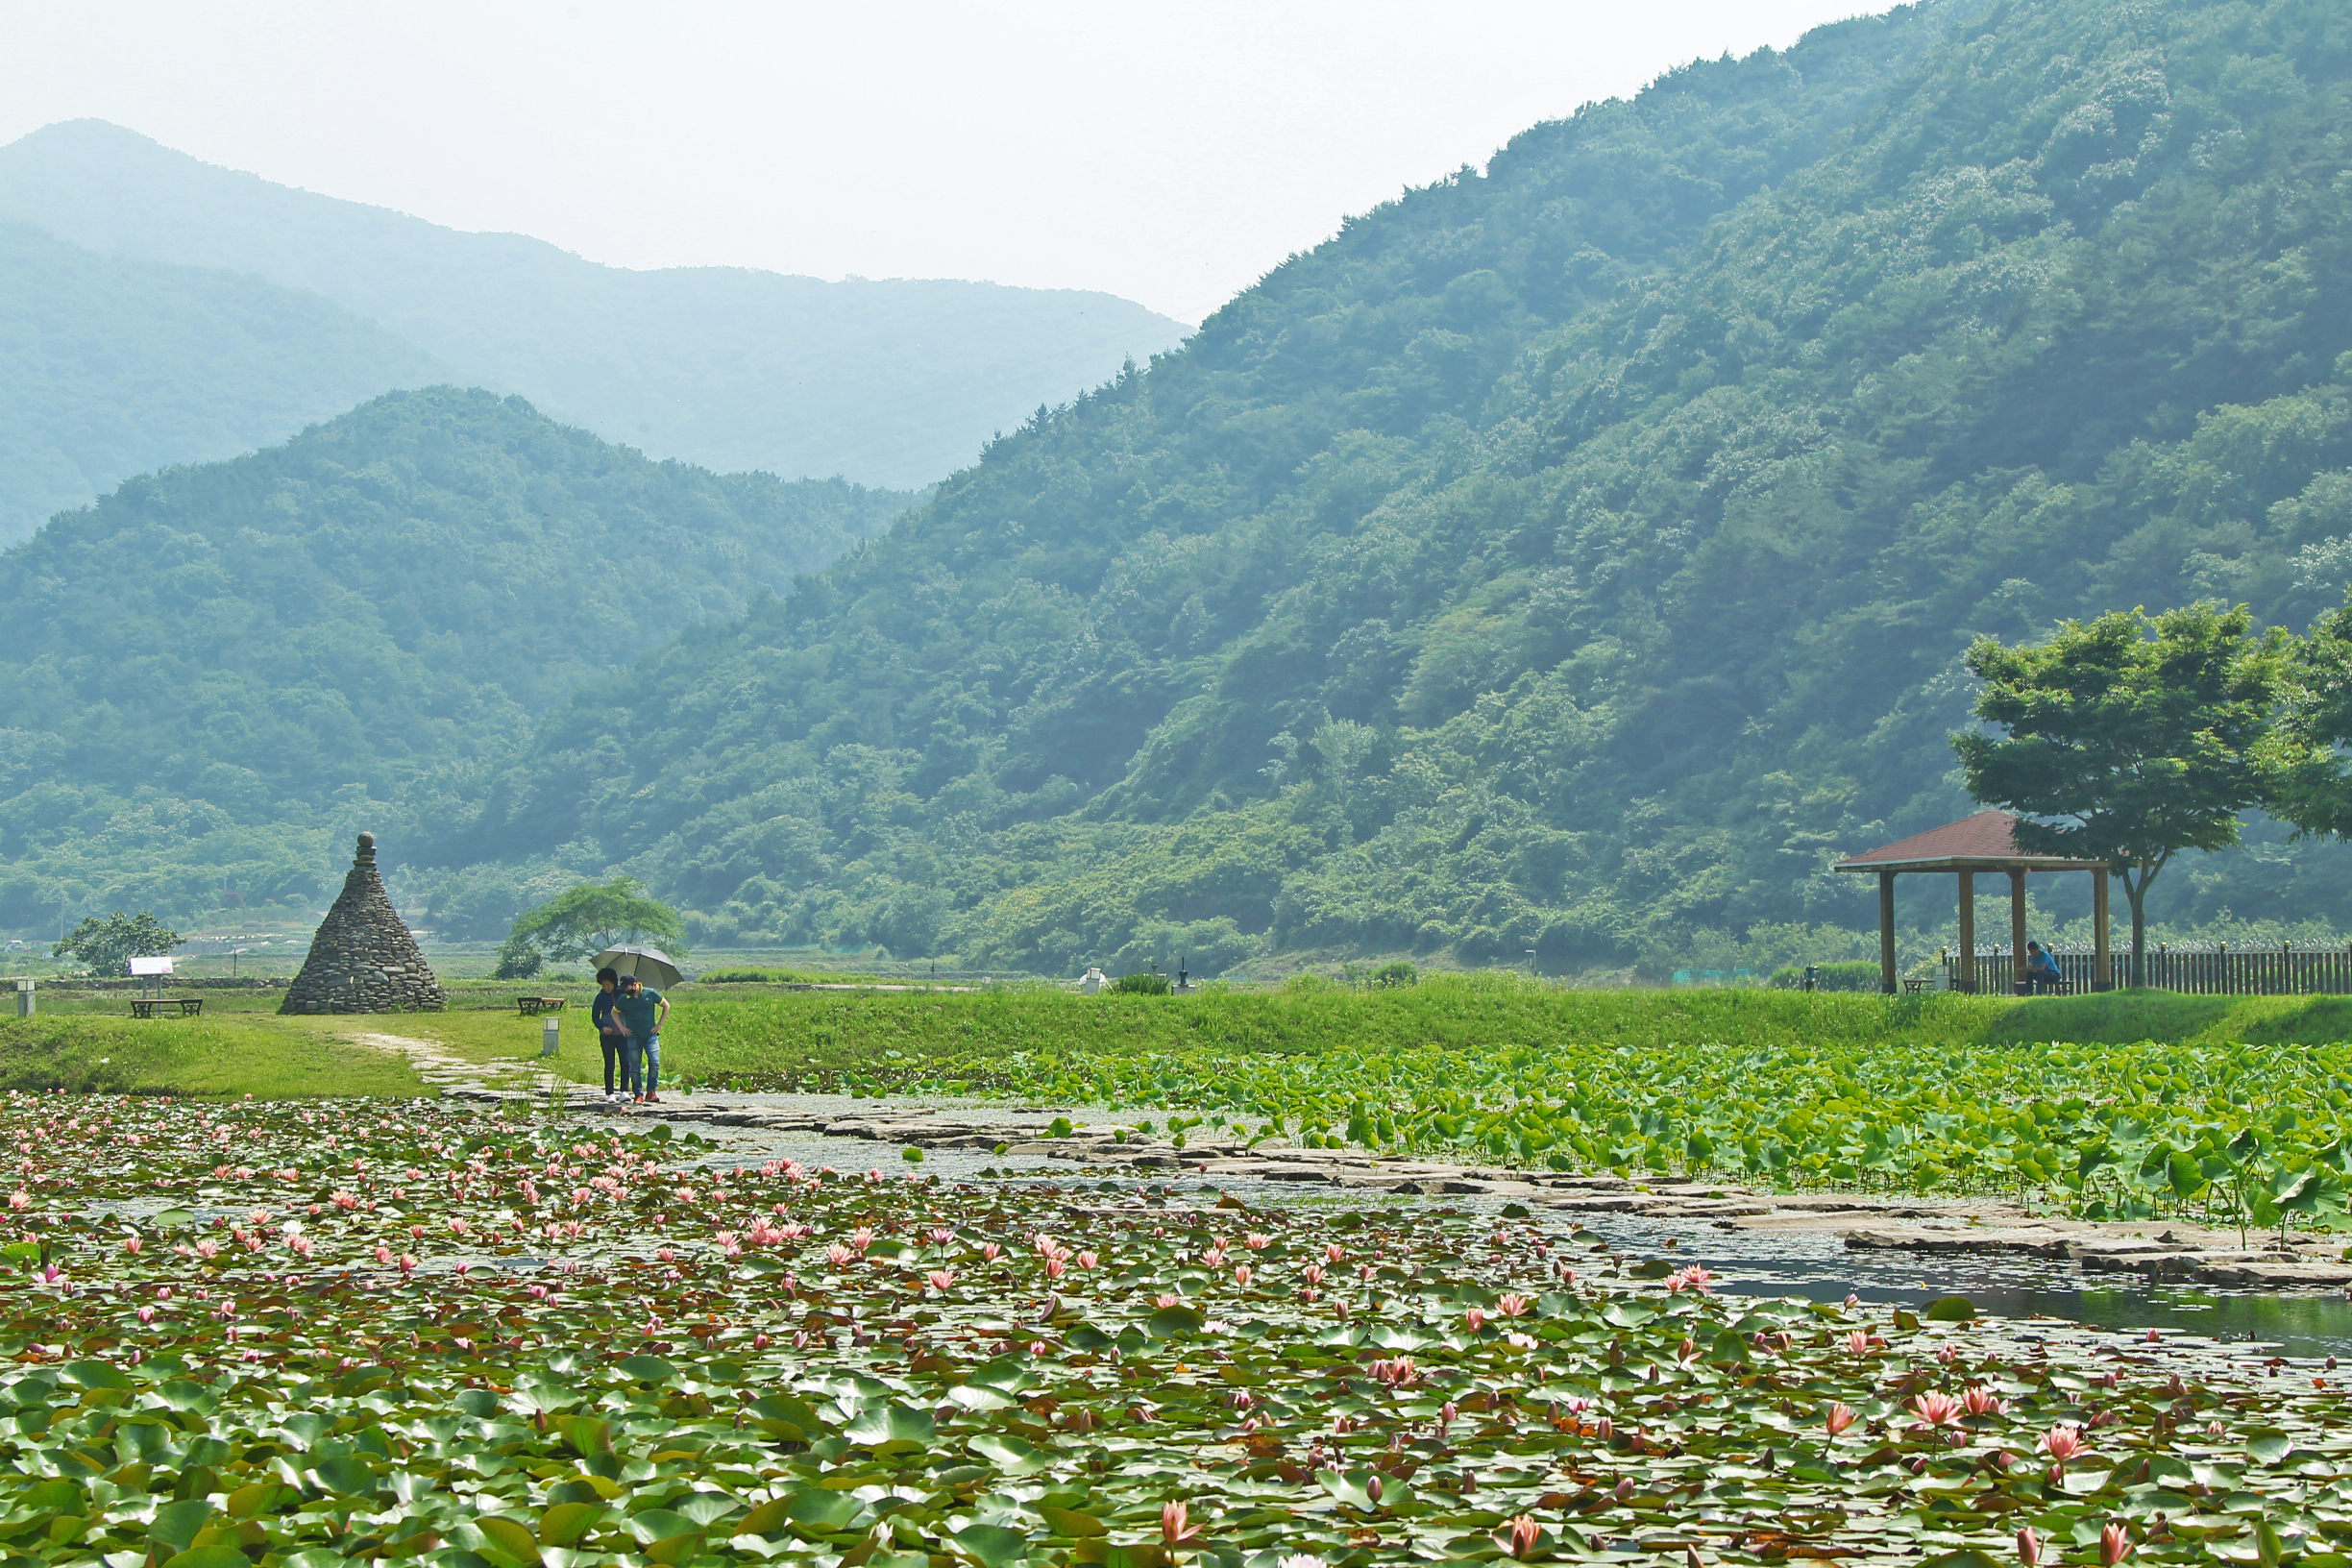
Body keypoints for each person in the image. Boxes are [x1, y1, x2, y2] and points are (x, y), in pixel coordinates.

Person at [615, 973, 670, 1104]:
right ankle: (638, 1094)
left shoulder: (650, 994)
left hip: (650, 1035)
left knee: (654, 1062)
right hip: (633, 1037)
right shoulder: (624, 998)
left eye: (627, 987)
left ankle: (651, 1091)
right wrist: (621, 1027)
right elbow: (614, 1012)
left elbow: (666, 1005)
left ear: (634, 984)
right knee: (635, 1066)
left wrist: (660, 1024)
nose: (626, 990)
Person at [590, 968, 626, 1103]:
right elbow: (595, 1017)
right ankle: (610, 1092)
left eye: (608, 985)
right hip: (607, 1035)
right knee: (609, 1063)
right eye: (603, 985)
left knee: (625, 1062)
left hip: (622, 1034)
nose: (606, 987)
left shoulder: (622, 995)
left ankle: (624, 1091)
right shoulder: (600, 997)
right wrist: (602, 1027)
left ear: (614, 983)